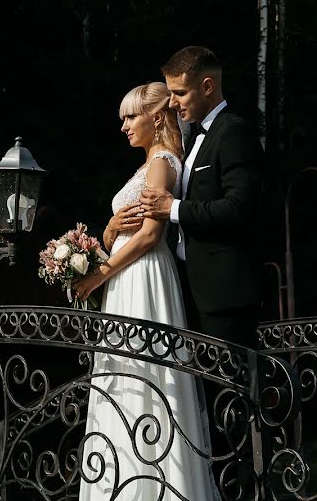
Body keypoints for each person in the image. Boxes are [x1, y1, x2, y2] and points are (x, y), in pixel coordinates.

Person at [72, 82, 219, 501]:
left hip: (142, 277)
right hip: (128, 274)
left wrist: (98, 273)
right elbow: (122, 229)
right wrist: (110, 229)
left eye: (130, 117)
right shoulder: (145, 166)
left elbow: (153, 235)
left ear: (156, 117)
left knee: (144, 373)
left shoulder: (161, 163)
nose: (124, 127)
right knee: (124, 373)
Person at [140, 46, 264, 348]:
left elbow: (238, 209)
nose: (172, 102)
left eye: (179, 93)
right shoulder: (193, 137)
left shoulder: (235, 133)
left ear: (207, 87)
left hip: (224, 296)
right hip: (186, 288)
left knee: (229, 389)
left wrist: (173, 208)